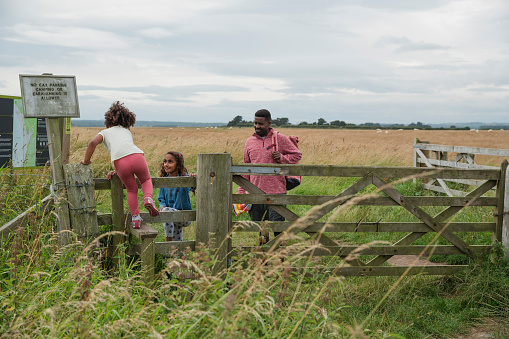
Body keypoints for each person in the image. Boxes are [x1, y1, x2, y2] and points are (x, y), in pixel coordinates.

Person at [81, 101, 159, 229]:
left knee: (131, 189)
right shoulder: (126, 131)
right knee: (145, 180)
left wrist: (86, 161)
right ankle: (148, 199)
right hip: (138, 157)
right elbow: (127, 150)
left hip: (120, 163)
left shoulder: (104, 133)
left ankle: (135, 218)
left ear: (108, 120)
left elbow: (92, 143)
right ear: (127, 119)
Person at [238, 109, 302, 243]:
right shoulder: (249, 142)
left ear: (269, 123)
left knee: (278, 229)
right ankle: (264, 260)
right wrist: (242, 191)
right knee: (261, 230)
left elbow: (297, 155)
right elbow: (245, 168)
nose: (257, 126)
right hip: (255, 194)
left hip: (277, 193)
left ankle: (280, 259)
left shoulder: (280, 139)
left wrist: (282, 158)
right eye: (255, 123)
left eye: (260, 124)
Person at [158, 151, 195, 242]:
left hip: (184, 216)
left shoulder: (184, 178)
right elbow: (161, 199)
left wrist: (193, 179)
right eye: (165, 161)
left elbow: (193, 187)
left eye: (170, 162)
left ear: (178, 164)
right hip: (171, 217)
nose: (166, 164)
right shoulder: (163, 181)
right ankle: (175, 254)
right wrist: (162, 206)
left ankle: (168, 244)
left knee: (167, 212)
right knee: (177, 239)